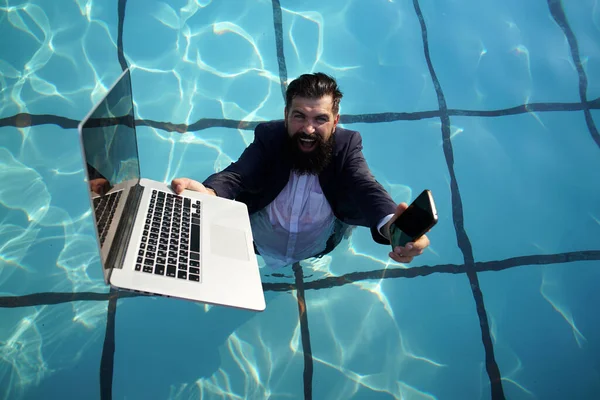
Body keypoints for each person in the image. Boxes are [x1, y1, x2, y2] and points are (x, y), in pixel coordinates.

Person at [171, 73, 430, 269]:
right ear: (286, 115)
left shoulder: (346, 146)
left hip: (319, 250)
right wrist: (209, 194)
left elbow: (365, 186)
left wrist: (393, 227)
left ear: (336, 120)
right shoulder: (270, 138)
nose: (308, 129)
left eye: (320, 119)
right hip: (255, 246)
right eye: (299, 117)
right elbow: (238, 174)